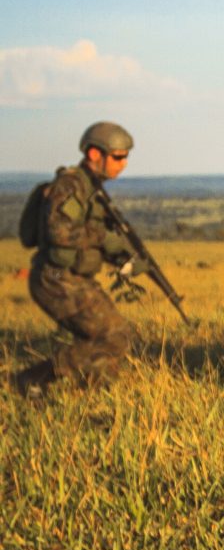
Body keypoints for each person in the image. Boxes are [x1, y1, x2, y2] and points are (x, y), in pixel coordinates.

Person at [13, 121, 142, 395]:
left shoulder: (90, 188)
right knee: (113, 336)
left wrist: (120, 256)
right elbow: (59, 232)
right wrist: (104, 238)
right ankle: (33, 379)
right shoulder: (70, 185)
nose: (123, 164)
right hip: (56, 279)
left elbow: (82, 239)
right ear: (95, 154)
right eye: (118, 157)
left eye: (126, 157)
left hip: (72, 278)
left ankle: (93, 392)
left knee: (107, 337)